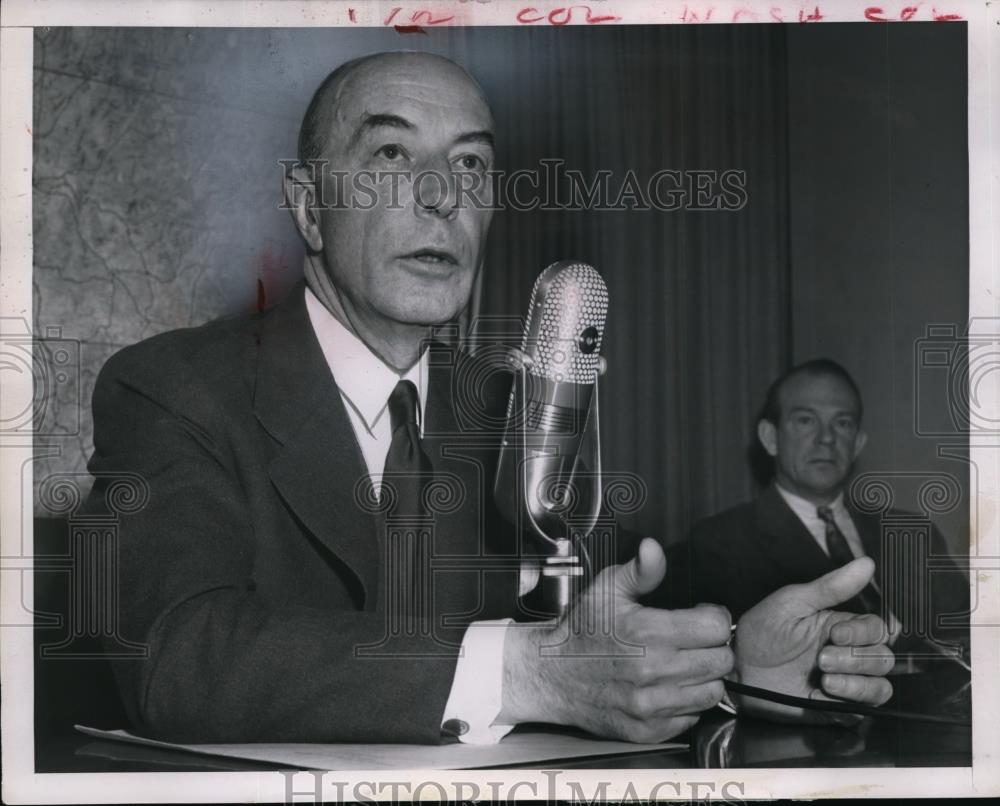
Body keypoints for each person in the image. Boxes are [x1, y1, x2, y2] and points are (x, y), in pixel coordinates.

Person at [85, 52, 893, 746]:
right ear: (307, 206)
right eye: (392, 156)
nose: (442, 195)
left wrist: (743, 666)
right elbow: (174, 654)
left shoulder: (519, 406)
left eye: (471, 163)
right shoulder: (172, 389)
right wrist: (524, 672)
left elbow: (616, 635)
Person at [686, 358, 969, 660]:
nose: (827, 438)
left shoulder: (915, 535)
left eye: (842, 423)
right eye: (806, 420)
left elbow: (972, 638)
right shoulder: (721, 544)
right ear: (770, 438)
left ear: (858, 444)